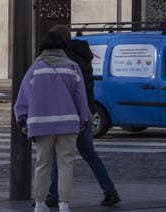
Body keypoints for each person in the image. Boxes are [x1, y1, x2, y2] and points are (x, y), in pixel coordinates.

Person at [14, 29, 90, 212]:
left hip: (41, 124)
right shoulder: (72, 67)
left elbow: (23, 98)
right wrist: (83, 120)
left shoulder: (35, 69)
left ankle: (40, 204)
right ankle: (64, 204)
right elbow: (81, 98)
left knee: (42, 164)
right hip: (68, 124)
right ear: (63, 46)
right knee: (66, 165)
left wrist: (22, 120)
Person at [46, 25, 121, 208]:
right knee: (89, 154)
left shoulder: (66, 59)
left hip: (70, 113)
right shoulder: (82, 55)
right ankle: (109, 190)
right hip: (85, 111)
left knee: (58, 154)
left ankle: (54, 195)